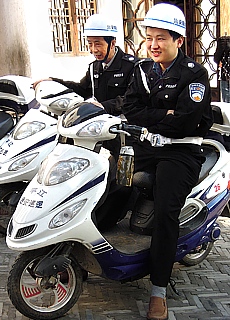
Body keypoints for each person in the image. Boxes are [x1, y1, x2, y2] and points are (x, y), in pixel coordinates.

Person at [121, 3, 213, 320]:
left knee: (165, 212)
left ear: (178, 41)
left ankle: (158, 290)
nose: (154, 45)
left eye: (162, 38)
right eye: (150, 37)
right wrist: (164, 115)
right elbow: (130, 109)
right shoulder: (144, 71)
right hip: (146, 146)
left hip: (181, 152)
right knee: (109, 180)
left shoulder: (195, 74)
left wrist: (160, 119)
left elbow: (185, 123)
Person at [33, 13, 139, 160]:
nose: (93, 49)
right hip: (97, 129)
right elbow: (81, 89)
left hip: (122, 132)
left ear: (112, 43)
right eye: (89, 43)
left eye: (98, 44)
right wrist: (53, 81)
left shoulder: (132, 66)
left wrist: (102, 106)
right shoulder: (94, 67)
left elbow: (130, 99)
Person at [214, 34, 230, 102]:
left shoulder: (224, 41)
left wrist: (219, 61)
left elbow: (217, 58)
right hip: (226, 76)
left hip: (226, 76)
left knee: (227, 104)